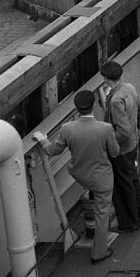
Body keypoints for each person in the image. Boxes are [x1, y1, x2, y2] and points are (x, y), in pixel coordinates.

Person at [35, 89, 119, 264]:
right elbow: (115, 152)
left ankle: (90, 199)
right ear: (94, 105)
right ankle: (99, 253)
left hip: (80, 175)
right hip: (101, 179)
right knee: (102, 215)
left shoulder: (67, 129)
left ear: (76, 109)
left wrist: (42, 139)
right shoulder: (105, 129)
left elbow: (53, 150)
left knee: (93, 194)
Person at [100, 61, 140, 234]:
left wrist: (112, 145)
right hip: (133, 145)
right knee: (133, 180)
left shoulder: (116, 101)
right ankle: (139, 215)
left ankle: (129, 223)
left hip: (122, 150)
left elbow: (123, 131)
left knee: (122, 186)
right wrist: (136, 132)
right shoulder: (130, 88)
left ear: (105, 79)